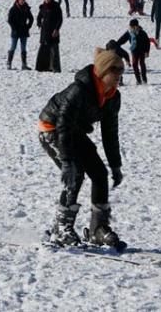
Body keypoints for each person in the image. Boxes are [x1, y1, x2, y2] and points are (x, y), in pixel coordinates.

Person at [38, 47, 125, 247]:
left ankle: (97, 228)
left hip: (74, 130)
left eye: (122, 71)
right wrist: (67, 161)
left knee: (99, 173)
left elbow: (110, 132)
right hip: (53, 128)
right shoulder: (80, 90)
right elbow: (63, 124)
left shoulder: (113, 96)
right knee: (75, 173)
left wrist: (115, 165)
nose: (120, 75)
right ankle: (61, 228)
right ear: (103, 71)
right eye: (116, 71)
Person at [35, 0, 63, 72]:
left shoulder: (56, 7)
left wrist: (57, 29)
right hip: (44, 30)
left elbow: (60, 19)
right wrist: (39, 24)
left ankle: (54, 67)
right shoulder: (43, 7)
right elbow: (39, 17)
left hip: (53, 30)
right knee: (43, 49)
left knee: (54, 49)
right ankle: (42, 67)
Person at [117, 19, 151, 84]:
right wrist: (116, 44)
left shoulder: (142, 32)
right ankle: (138, 80)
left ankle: (144, 79)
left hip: (142, 50)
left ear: (136, 26)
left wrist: (147, 51)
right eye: (130, 26)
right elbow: (123, 39)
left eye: (132, 26)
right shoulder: (129, 32)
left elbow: (147, 42)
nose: (130, 27)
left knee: (142, 63)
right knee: (134, 64)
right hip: (134, 51)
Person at [7, 0, 34, 70]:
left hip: (23, 31)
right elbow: (10, 20)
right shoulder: (13, 9)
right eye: (20, 0)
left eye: (23, 0)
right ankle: (9, 63)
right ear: (18, 0)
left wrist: (28, 26)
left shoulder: (26, 8)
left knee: (23, 48)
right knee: (13, 47)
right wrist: (14, 28)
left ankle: (24, 64)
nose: (22, 1)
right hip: (15, 31)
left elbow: (31, 18)